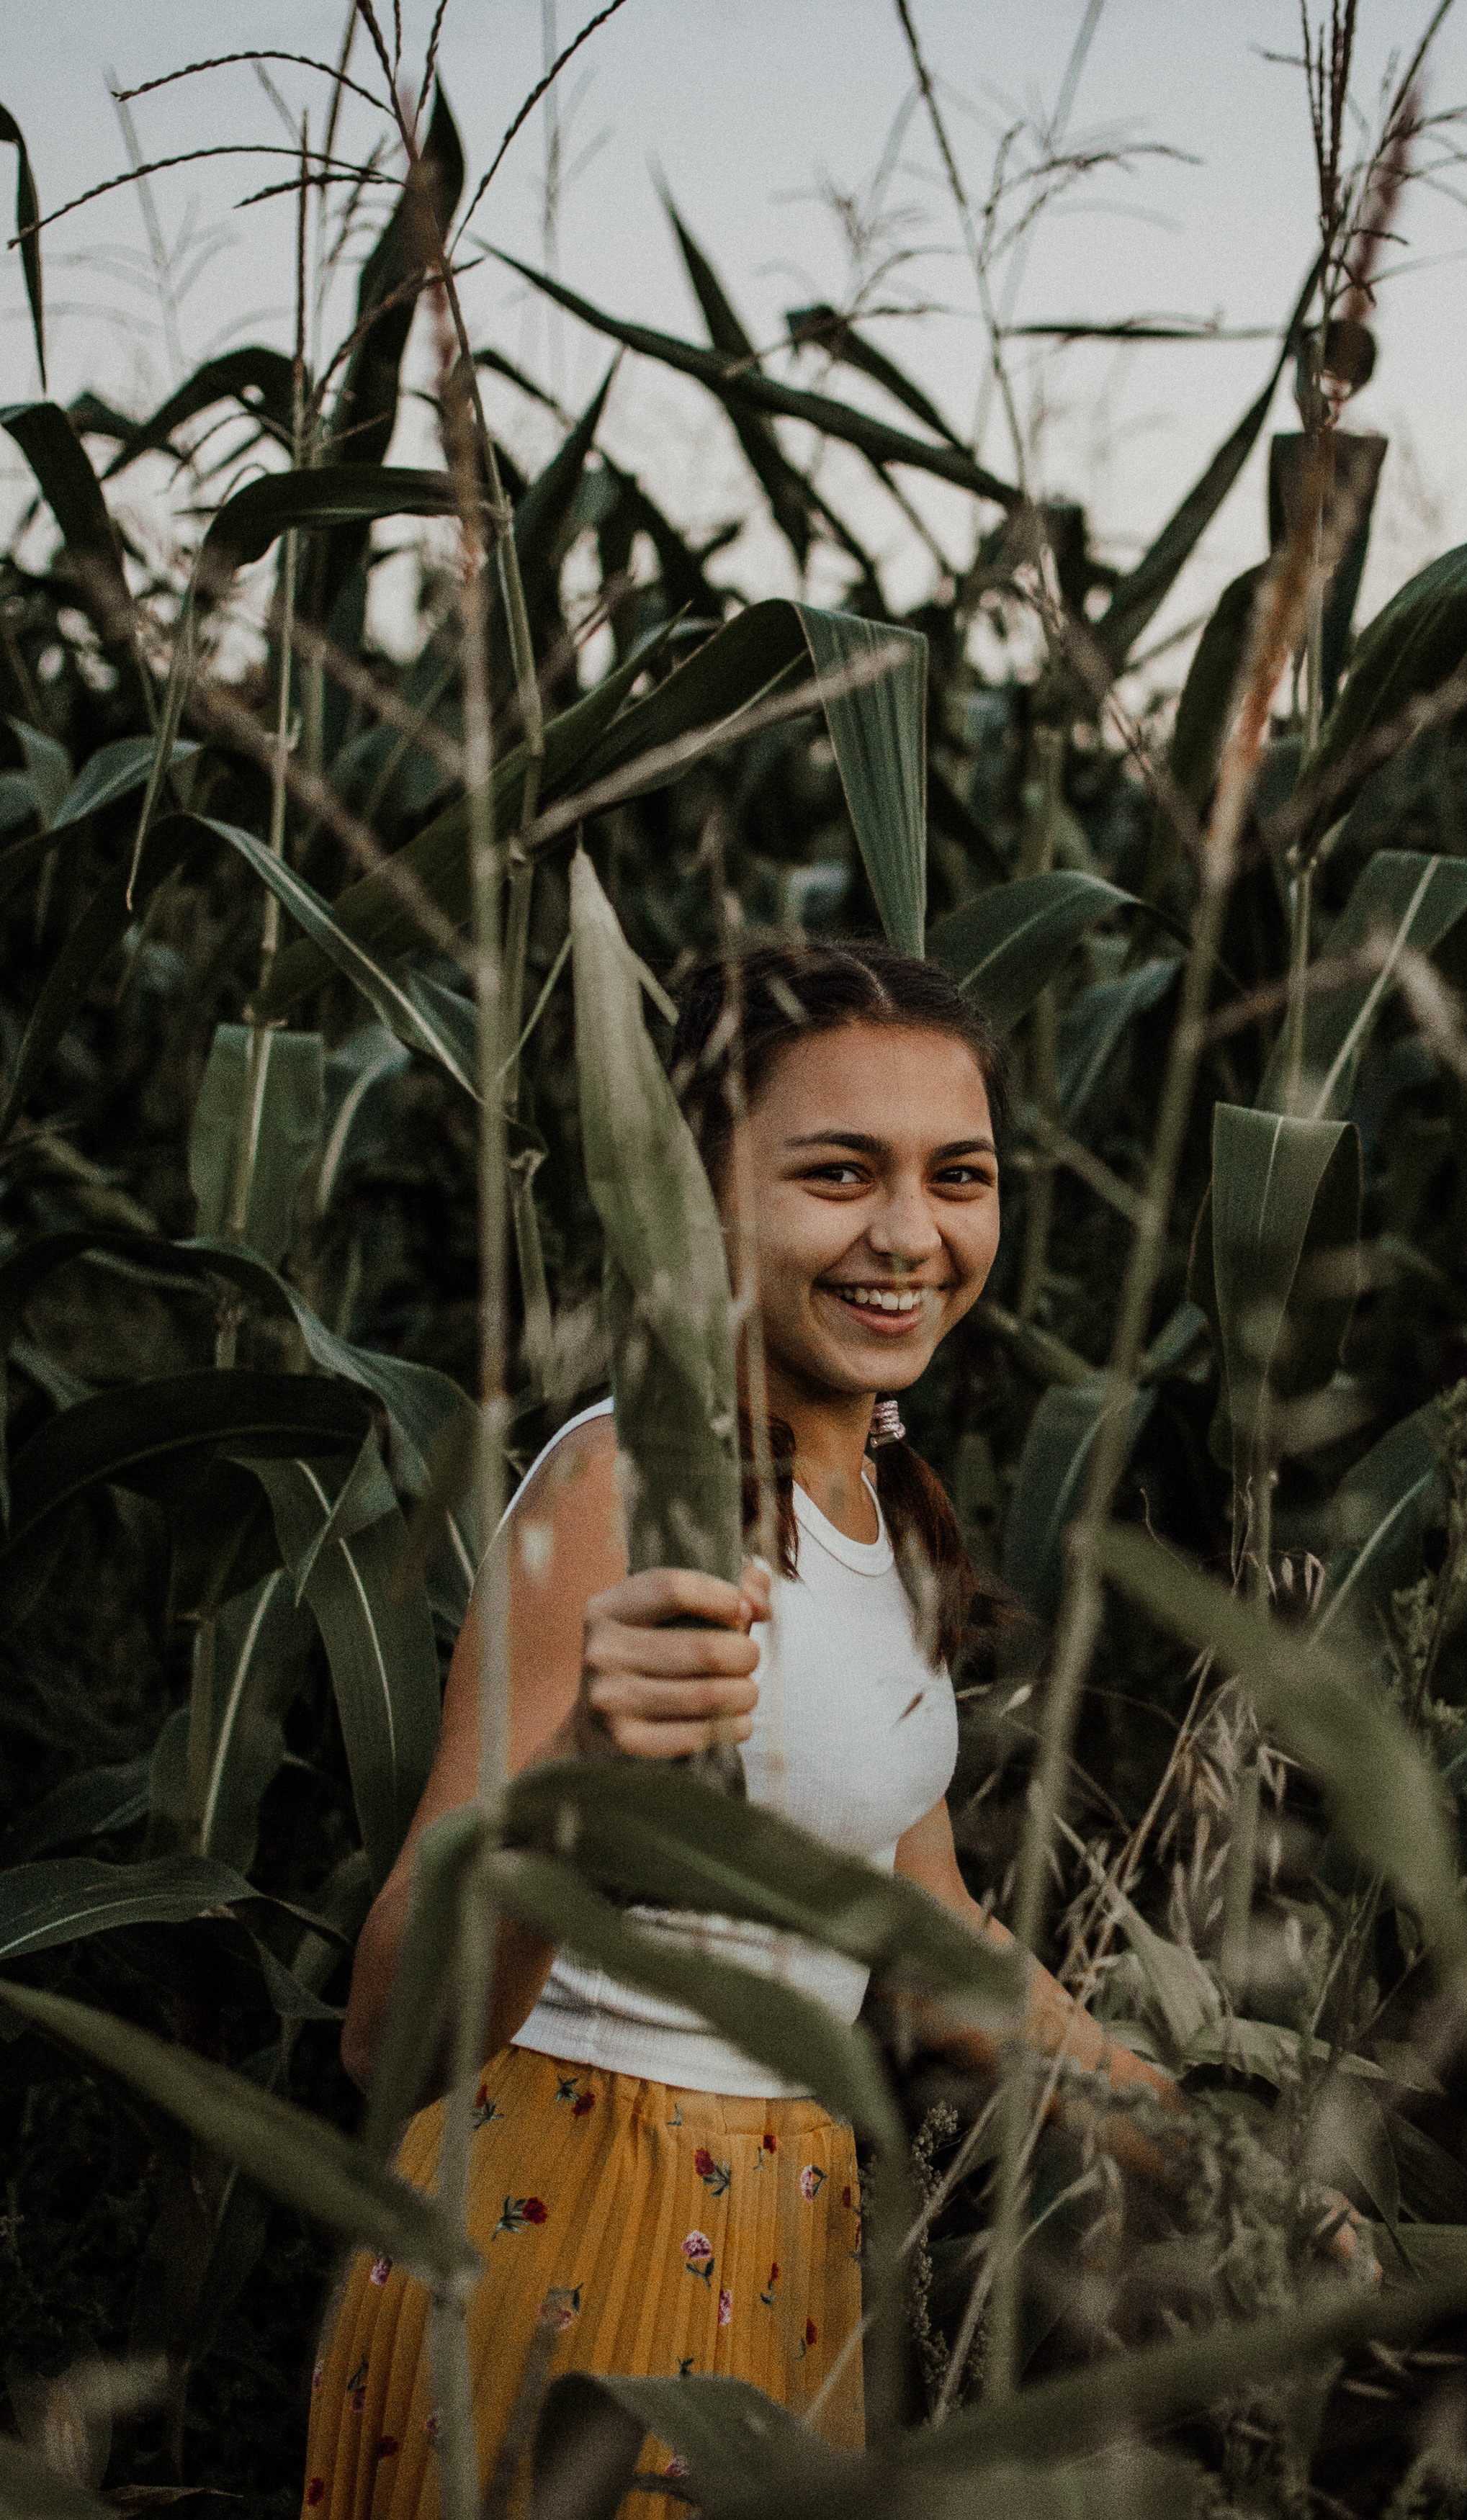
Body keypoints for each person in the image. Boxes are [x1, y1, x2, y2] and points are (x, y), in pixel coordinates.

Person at [302, 937, 1174, 2520]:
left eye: (959, 1175)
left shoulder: (885, 1509)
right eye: (838, 1172)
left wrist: (1192, 2141)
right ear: (698, 1197)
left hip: (781, 2234)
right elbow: (386, 2037)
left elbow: (921, 1934)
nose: (908, 1232)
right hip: (573, 2231)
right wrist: (582, 1787)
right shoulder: (620, 1487)